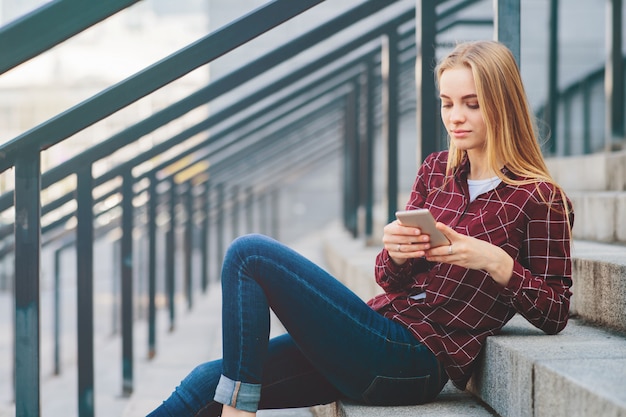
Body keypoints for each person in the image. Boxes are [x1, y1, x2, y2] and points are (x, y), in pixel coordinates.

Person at [147, 40, 573, 417]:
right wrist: (397, 253)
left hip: (416, 360)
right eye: (447, 103)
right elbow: (388, 278)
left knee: (250, 254)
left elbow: (554, 311)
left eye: (472, 104)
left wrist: (497, 262)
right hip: (377, 332)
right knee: (206, 382)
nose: (455, 117)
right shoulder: (435, 173)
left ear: (503, 105)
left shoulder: (538, 198)